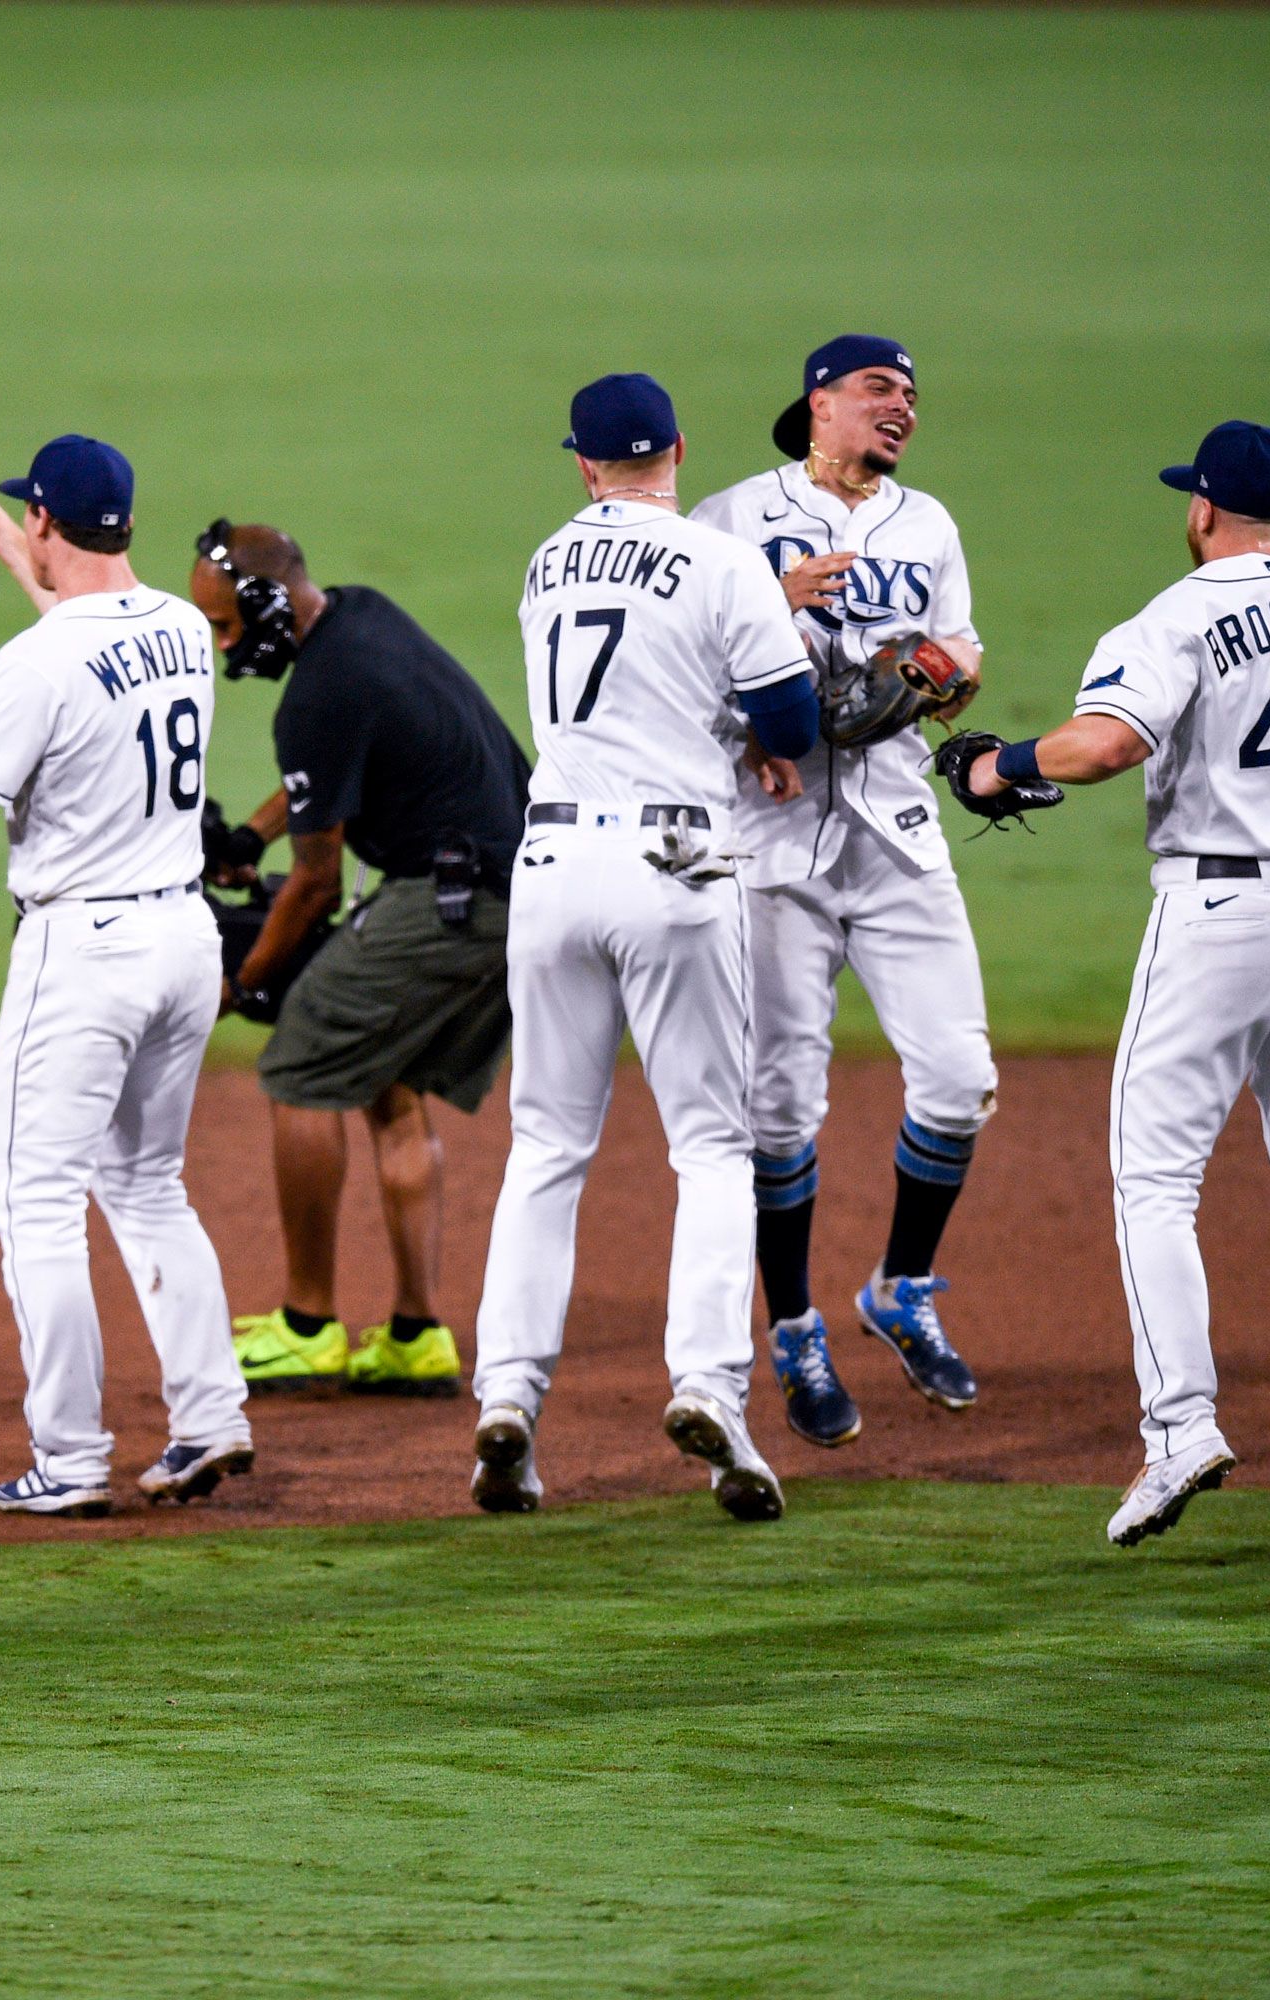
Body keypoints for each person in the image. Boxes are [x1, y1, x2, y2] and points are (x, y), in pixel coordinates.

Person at [943, 421, 1270, 1547]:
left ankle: (1180, 1429)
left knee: (1154, 1179)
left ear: (1204, 511)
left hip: (1219, 919)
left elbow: (1106, 744)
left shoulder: (1177, 614)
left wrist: (996, 763)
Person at [468, 373, 827, 1520]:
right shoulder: (724, 563)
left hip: (553, 865)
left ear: (582, 462)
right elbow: (793, 724)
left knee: (545, 1148)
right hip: (677, 862)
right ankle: (711, 1386)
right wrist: (751, 728)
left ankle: (509, 1403)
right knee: (711, 1145)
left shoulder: (544, 561)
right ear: (677, 447)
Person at [0, 437, 253, 1518]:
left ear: (52, 520)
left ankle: (71, 1455)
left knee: (37, 1203)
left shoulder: (34, 663)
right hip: (186, 941)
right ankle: (211, 1415)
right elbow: (88, 646)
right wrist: (11, 549)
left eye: (25, 518)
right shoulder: (184, 628)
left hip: (84, 953)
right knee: (148, 1185)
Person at [691, 335, 994, 1451]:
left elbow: (958, 650)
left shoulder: (931, 525)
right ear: (818, 401)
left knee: (961, 1080)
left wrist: (948, 674)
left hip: (898, 832)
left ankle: (901, 1287)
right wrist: (770, 599)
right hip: (770, 837)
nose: (901, 408)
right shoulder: (727, 517)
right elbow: (677, 656)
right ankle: (795, 1331)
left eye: (912, 395)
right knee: (777, 1106)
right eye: (879, 389)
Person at [188, 520, 531, 1400]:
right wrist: (245, 837)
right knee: (387, 1082)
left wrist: (249, 982)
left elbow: (313, 885)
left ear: (266, 604)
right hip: (511, 888)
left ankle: (308, 1325)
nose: (226, 646)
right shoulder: (359, 620)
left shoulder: (319, 696)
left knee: (301, 1061)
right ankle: (416, 1336)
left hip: (452, 900)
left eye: (228, 626)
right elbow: (326, 783)